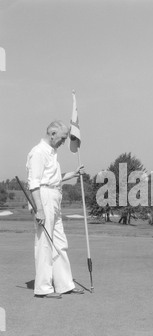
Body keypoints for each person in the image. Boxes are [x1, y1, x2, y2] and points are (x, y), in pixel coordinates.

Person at [26, 120, 85, 299]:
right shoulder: (38, 152)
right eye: (62, 138)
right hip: (43, 198)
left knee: (60, 242)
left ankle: (64, 284)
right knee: (44, 243)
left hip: (54, 197)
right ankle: (43, 288)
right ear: (52, 134)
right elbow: (34, 183)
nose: (63, 142)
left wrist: (73, 174)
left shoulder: (52, 153)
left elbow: (55, 178)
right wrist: (39, 209)